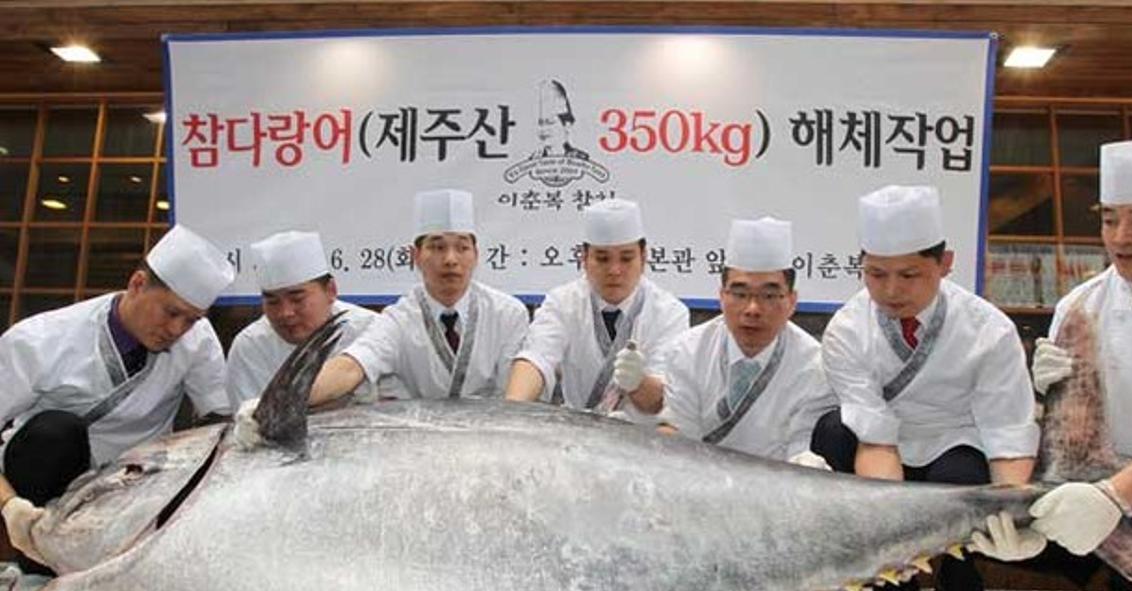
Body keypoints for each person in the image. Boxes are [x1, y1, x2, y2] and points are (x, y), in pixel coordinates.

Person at [975, 136, 1132, 591]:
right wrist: (1044, 395)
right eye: (1108, 218)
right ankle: (1130, 589)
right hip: (1099, 474)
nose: (1121, 236)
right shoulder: (1081, 305)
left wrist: (1113, 496)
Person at [813, 185, 1039, 591]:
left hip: (957, 440)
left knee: (956, 481)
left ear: (945, 264)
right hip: (882, 449)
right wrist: (893, 526)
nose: (891, 290)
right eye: (876, 274)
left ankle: (962, 589)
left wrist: (1013, 515)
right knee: (834, 432)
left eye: (910, 275)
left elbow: (1006, 429)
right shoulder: (847, 330)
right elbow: (874, 435)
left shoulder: (988, 330)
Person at [0, 225, 234, 565]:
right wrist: (10, 506)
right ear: (137, 284)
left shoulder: (196, 339)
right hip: (47, 478)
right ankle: (34, 559)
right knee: (56, 431)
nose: (176, 330)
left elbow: (218, 416)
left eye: (191, 320)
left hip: (134, 485)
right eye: (170, 312)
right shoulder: (39, 340)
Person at [240, 189, 529, 417]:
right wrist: (274, 404)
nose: (450, 259)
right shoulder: (399, 318)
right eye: (437, 247)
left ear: (476, 255)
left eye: (462, 247)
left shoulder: (508, 313)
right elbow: (351, 367)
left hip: (494, 442)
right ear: (415, 256)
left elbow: (515, 397)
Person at [657, 216, 836, 461]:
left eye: (769, 296)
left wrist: (806, 460)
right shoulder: (687, 351)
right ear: (721, 296)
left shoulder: (816, 366)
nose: (753, 308)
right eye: (740, 293)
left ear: (792, 301)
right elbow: (681, 434)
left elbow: (801, 442)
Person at [505, 198, 688, 419]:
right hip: (576, 435)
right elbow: (537, 358)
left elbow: (660, 400)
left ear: (644, 257)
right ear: (584, 258)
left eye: (626, 258)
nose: (614, 270)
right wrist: (511, 410)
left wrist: (638, 382)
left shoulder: (669, 313)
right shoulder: (563, 302)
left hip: (641, 442)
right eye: (602, 259)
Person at [225, 230, 378, 409]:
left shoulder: (371, 331)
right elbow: (251, 425)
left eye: (297, 299)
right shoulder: (251, 347)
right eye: (272, 301)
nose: (285, 313)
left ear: (331, 290)